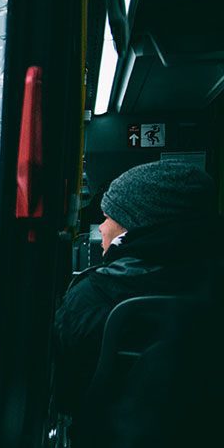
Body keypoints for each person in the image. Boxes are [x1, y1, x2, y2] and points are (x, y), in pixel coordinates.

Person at [54, 160, 219, 410]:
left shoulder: (93, 296)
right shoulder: (210, 284)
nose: (101, 227)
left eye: (109, 217)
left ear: (135, 225)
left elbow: (64, 391)